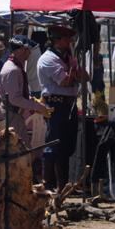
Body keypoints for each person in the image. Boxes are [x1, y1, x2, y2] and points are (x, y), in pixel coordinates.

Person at [36, 25, 90, 190]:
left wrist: (75, 69)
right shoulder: (48, 59)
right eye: (67, 38)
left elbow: (85, 77)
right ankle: (49, 185)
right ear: (57, 40)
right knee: (54, 144)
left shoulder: (68, 57)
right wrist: (74, 70)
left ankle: (63, 185)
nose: (71, 42)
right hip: (56, 104)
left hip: (69, 104)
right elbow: (65, 81)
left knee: (67, 146)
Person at [0, 35, 48, 147]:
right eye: (27, 50)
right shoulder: (13, 70)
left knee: (21, 150)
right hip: (11, 116)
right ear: (20, 50)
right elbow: (15, 99)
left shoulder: (15, 67)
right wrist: (37, 106)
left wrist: (32, 102)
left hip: (14, 114)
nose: (29, 53)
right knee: (18, 151)